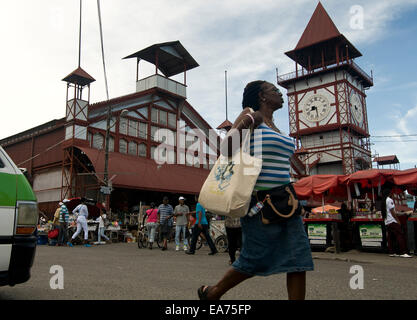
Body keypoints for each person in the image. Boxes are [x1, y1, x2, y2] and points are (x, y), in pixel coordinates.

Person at [197, 81, 314, 300]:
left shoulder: (275, 126)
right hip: (260, 203)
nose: (281, 94)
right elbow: (226, 149)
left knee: (299, 260)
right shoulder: (250, 114)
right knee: (254, 259)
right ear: (262, 96)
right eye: (275, 91)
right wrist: (250, 120)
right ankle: (213, 292)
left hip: (287, 200)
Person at [381, 188, 412, 258]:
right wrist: (398, 221)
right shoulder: (389, 200)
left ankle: (392, 252)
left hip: (387, 221)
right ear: (389, 193)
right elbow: (393, 213)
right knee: (400, 235)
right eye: (391, 192)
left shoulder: (383, 201)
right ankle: (403, 252)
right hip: (392, 221)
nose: (392, 194)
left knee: (391, 237)